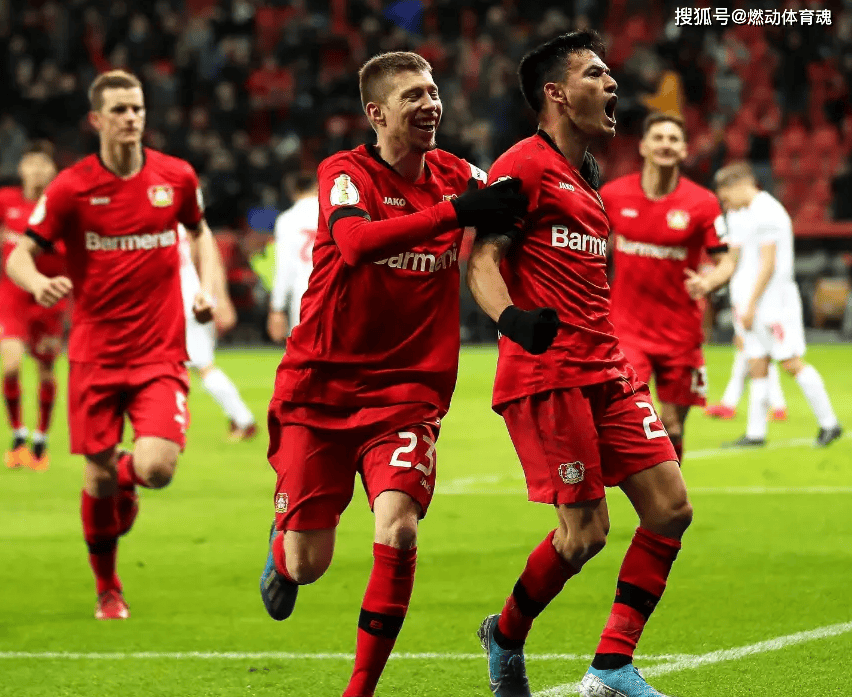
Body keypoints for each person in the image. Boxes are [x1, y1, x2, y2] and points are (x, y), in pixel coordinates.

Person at [258, 51, 526, 697]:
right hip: (320, 387)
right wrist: (458, 213)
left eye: (433, 92)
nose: (431, 104)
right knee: (307, 563)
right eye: (413, 96)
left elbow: (520, 199)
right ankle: (283, 551)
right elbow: (355, 243)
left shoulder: (459, 174)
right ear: (377, 113)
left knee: (399, 526)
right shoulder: (344, 174)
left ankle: (359, 690)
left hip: (408, 391)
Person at [466, 31, 691, 697]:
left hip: (609, 370)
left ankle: (611, 666)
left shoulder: (587, 183)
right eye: (595, 74)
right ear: (557, 94)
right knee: (585, 533)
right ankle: (506, 634)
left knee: (670, 509)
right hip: (549, 375)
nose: (612, 83)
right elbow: (482, 260)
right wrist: (511, 319)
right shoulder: (524, 166)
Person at [6, 70, 218, 620]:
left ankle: (127, 471)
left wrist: (208, 291)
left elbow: (199, 232)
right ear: (97, 119)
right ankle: (108, 588)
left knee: (158, 468)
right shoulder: (71, 187)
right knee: (96, 479)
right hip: (94, 355)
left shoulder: (175, 176)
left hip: (158, 352)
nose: (131, 118)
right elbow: (20, 255)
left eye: (138, 108)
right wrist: (37, 283)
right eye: (120, 110)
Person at [685, 162, 843, 448]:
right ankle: (755, 433)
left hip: (773, 302)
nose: (726, 205)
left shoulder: (769, 212)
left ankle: (829, 423)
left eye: (726, 197)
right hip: (749, 301)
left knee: (790, 361)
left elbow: (768, 264)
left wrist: (751, 304)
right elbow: (734, 257)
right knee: (756, 362)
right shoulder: (742, 214)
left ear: (739, 185)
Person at [601, 113, 728, 462]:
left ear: (684, 150)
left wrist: (709, 281)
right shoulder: (612, 195)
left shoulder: (703, 202)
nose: (666, 145)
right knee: (632, 422)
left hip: (680, 334)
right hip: (626, 331)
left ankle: (670, 495)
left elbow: (726, 260)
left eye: (674, 139)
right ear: (643, 146)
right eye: (658, 138)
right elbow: (590, 248)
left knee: (672, 428)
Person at [0, 142, 62, 470]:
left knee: (46, 370)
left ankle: (41, 440)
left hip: (48, 297)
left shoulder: (60, 205)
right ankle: (18, 436)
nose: (37, 170)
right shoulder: (5, 200)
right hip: (11, 294)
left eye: (43, 164)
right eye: (31, 164)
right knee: (10, 365)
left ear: (53, 171)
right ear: (21, 169)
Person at [178, 223, 257, 440]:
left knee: (203, 366)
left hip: (186, 303)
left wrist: (220, 298)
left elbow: (209, 255)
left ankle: (243, 420)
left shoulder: (179, 220)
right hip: (188, 301)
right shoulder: (179, 217)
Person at [266, 172, 318, 344]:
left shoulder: (287, 219)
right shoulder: (334, 214)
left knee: (306, 351)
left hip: (303, 293)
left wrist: (277, 307)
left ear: (292, 192)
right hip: (338, 290)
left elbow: (284, 267)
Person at [705, 332, 787, 421]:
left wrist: (742, 333)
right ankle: (728, 404)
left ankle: (778, 407)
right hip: (755, 337)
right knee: (742, 370)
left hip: (756, 337)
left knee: (762, 368)